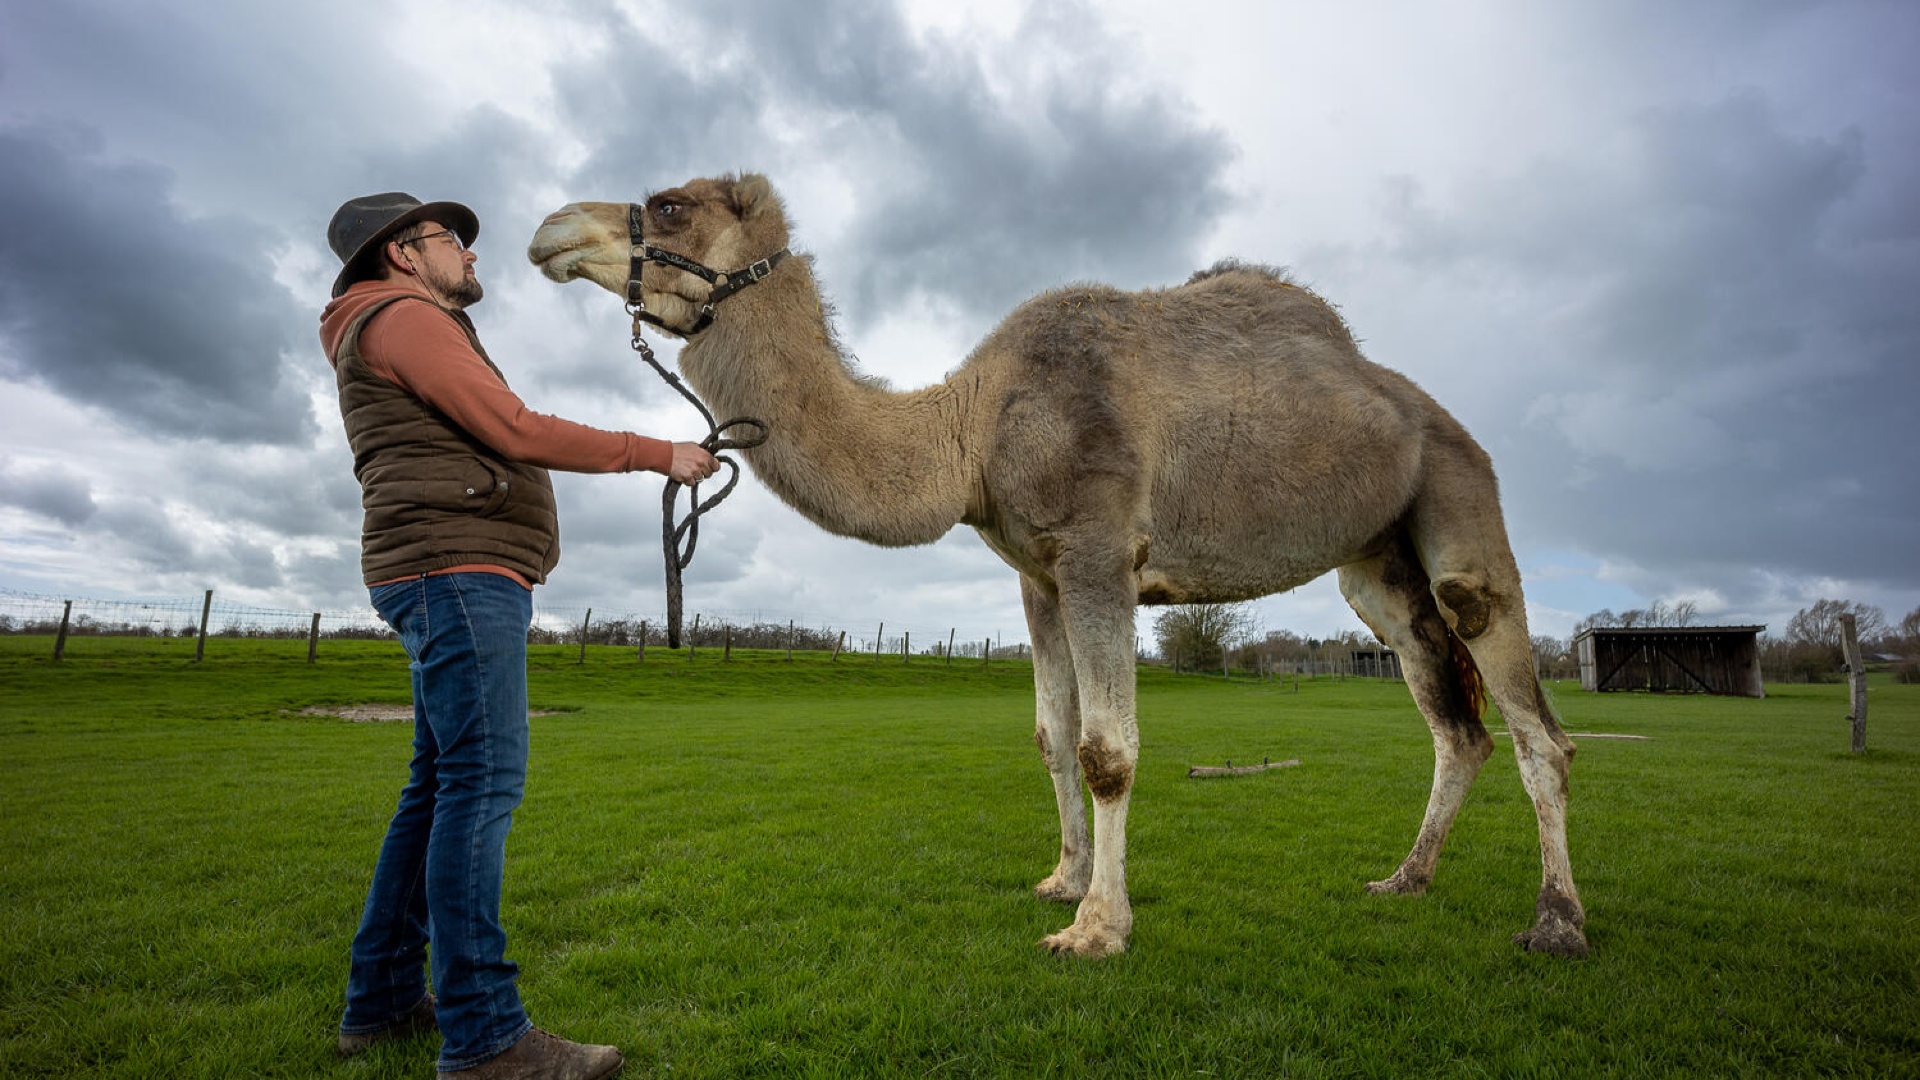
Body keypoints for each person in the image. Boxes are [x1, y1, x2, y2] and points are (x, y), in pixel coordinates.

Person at [320, 192, 713, 1080]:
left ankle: (380, 1003)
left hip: (444, 572)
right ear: (403, 254)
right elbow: (514, 428)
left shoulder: (396, 321)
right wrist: (658, 452)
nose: (467, 251)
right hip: (457, 574)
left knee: (436, 788)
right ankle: (488, 1038)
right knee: (480, 787)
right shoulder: (403, 318)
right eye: (448, 238)